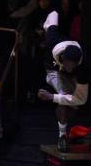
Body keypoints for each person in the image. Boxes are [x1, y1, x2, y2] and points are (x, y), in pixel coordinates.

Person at [37, 11, 88, 152]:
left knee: (73, 103)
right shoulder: (52, 39)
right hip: (53, 69)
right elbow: (53, 15)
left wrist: (51, 97)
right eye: (67, 64)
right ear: (63, 58)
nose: (69, 67)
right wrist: (47, 24)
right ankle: (62, 136)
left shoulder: (84, 68)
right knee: (65, 95)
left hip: (74, 77)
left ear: (78, 62)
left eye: (73, 65)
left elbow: (80, 99)